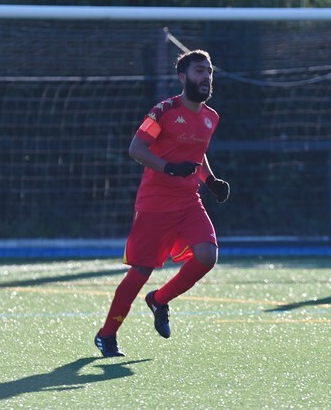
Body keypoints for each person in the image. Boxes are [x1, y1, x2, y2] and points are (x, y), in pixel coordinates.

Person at [94, 49, 230, 357]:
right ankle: (107, 334)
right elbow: (136, 149)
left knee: (207, 256)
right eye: (199, 71)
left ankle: (159, 300)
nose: (206, 77)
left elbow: (198, 152)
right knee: (141, 271)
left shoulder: (211, 117)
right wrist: (168, 168)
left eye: (209, 71)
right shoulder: (164, 111)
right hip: (155, 204)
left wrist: (210, 181)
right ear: (183, 77)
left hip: (189, 201)